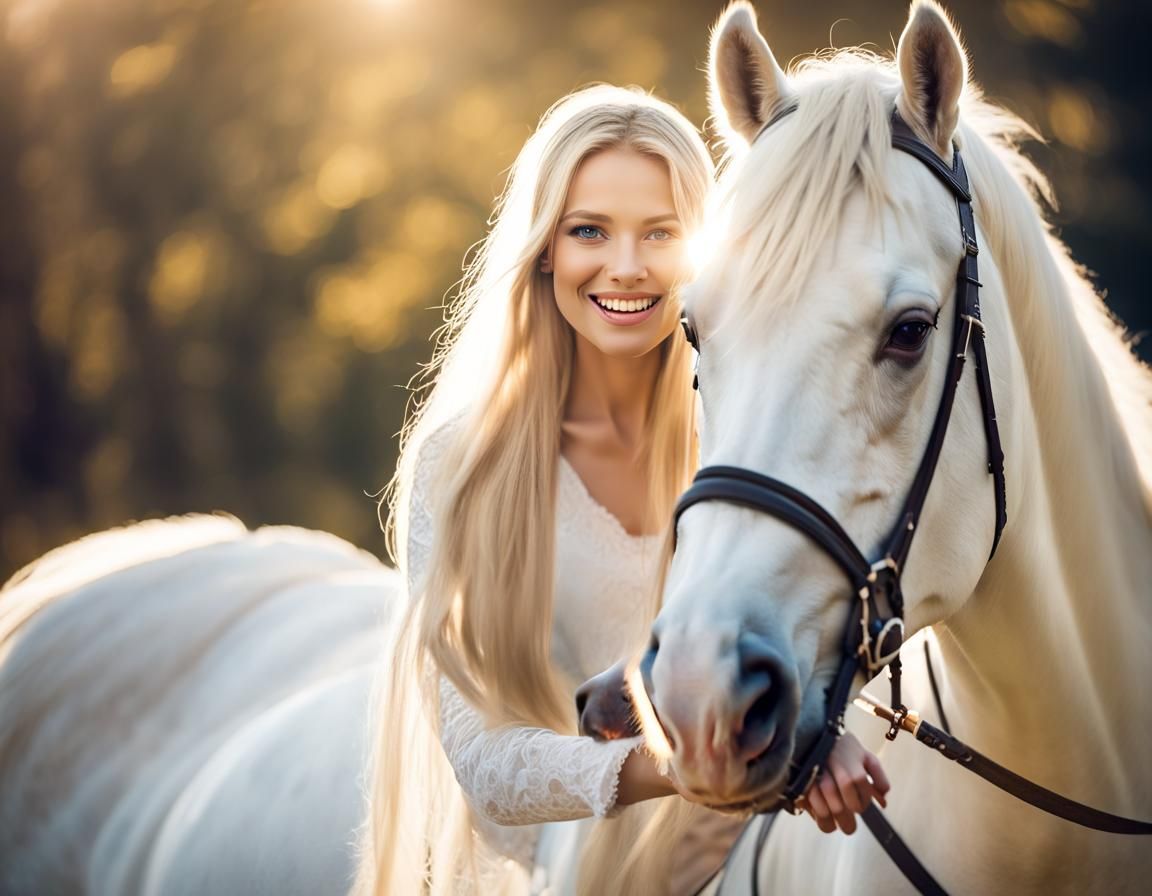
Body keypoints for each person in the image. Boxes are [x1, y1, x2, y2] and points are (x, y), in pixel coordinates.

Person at [351, 85, 890, 896]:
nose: (628, 266)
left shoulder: (759, 439)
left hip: (793, 857)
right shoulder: (462, 468)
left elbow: (856, 620)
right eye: (589, 231)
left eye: (662, 232)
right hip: (567, 874)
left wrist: (821, 730)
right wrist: (703, 760)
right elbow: (485, 764)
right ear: (544, 250)